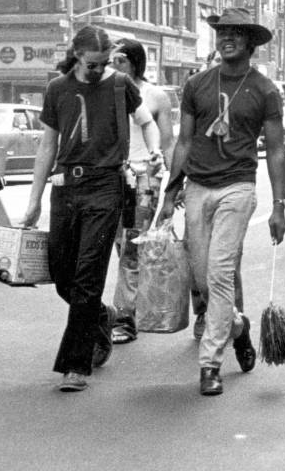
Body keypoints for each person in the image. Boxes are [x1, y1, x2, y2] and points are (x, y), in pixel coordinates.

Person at [23, 26, 161, 392]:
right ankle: (102, 316)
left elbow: (147, 123)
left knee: (88, 276)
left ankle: (76, 365)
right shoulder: (57, 89)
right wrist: (34, 200)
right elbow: (47, 146)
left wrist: (154, 151)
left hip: (105, 185)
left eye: (104, 63)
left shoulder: (121, 85)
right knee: (62, 272)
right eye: (93, 64)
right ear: (76, 56)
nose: (100, 70)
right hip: (66, 186)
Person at [160, 8, 285, 396]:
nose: (226, 39)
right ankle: (238, 326)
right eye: (221, 33)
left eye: (235, 33)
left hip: (238, 187)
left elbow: (278, 150)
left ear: (250, 42)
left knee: (219, 273)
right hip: (197, 186)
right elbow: (183, 142)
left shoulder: (265, 90)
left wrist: (279, 206)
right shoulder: (197, 84)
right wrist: (169, 193)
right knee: (201, 278)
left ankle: (210, 362)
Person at [109, 39, 175, 345]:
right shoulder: (106, 91)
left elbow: (168, 142)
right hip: (111, 178)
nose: (115, 64)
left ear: (136, 62)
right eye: (112, 59)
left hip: (144, 178)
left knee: (133, 246)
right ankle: (132, 305)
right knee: (122, 247)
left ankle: (125, 317)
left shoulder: (155, 96)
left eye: (121, 59)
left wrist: (176, 185)